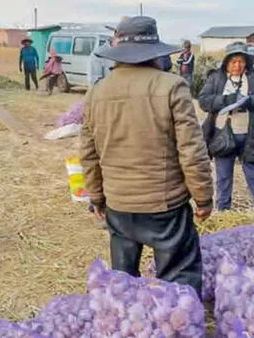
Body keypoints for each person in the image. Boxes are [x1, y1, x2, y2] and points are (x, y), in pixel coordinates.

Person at [80, 16, 213, 297]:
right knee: (178, 282)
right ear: (154, 52)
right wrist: (203, 197)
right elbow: (191, 150)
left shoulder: (97, 92)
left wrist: (97, 197)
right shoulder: (171, 86)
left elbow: (88, 154)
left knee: (122, 283)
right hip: (164, 206)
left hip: (118, 205)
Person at [198, 42, 254, 219]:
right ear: (226, 63)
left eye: (241, 61)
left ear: (247, 62)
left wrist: (249, 100)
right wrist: (226, 100)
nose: (237, 65)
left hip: (249, 135)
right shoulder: (216, 78)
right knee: (223, 177)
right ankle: (224, 214)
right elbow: (204, 101)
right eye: (233, 62)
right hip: (222, 135)